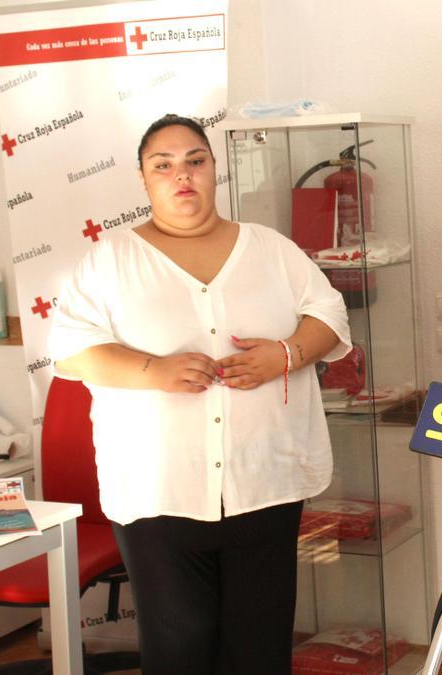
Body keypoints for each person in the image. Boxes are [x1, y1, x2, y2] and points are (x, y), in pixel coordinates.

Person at [49, 114, 351, 674]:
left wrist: (283, 354)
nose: (180, 175)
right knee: (180, 642)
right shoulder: (112, 260)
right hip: (160, 490)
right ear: (144, 179)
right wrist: (152, 369)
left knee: (258, 644)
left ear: (214, 170)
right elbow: (71, 349)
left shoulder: (270, 248)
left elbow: (329, 315)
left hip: (265, 480)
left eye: (195, 161)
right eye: (162, 165)